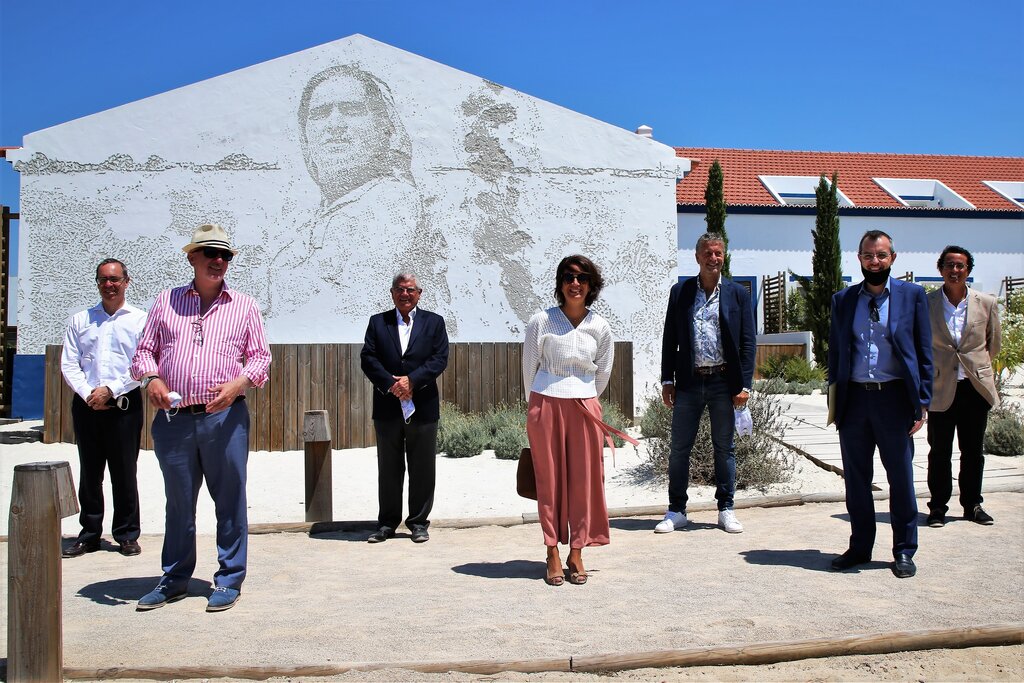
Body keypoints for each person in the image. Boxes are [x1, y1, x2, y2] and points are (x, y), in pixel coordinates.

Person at [131, 223, 271, 612]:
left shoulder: (243, 305)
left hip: (225, 421)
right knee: (178, 503)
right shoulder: (166, 301)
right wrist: (152, 378)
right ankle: (174, 578)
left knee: (230, 501)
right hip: (174, 421)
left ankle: (228, 579)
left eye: (225, 255)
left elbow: (261, 357)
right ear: (192, 257)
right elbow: (144, 352)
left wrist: (240, 383)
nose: (218, 260)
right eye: (210, 252)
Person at [827, 229, 932, 579]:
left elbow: (923, 351)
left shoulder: (913, 296)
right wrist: (836, 401)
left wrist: (922, 400)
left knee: (900, 478)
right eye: (869, 255)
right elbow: (837, 352)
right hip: (854, 400)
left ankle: (903, 550)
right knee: (856, 481)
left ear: (893, 258)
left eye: (881, 255)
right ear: (859, 259)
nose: (875, 262)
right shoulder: (843, 300)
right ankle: (860, 547)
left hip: (894, 399)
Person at [523, 255, 616, 586]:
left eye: (582, 278)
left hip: (585, 407)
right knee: (548, 483)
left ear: (591, 285)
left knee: (583, 483)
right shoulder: (541, 321)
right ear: (560, 283)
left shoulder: (600, 327)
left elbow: (603, 371)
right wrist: (537, 405)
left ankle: (576, 552)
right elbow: (529, 367)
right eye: (568, 277)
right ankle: (551, 552)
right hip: (546, 403)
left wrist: (585, 395)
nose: (575, 283)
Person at [656, 232, 755, 536]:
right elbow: (670, 338)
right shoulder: (681, 292)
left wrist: (745, 386)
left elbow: (748, 343)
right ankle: (676, 511)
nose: (714, 258)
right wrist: (667, 379)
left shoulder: (738, 294)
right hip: (688, 383)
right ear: (697, 257)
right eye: (708, 253)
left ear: (724, 256)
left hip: (724, 384)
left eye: (719, 253)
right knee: (678, 449)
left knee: (724, 448)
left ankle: (726, 509)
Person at [60, 258, 147, 558]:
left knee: (124, 471)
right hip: (87, 406)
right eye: (103, 280)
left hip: (124, 403)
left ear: (126, 281)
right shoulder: (80, 320)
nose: (109, 284)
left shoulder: (140, 320)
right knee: (90, 470)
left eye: (115, 279)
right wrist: (89, 393)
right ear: (97, 283)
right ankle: (90, 534)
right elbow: (69, 363)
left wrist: (111, 390)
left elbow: (142, 364)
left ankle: (126, 534)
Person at [360, 273, 449, 544]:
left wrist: (413, 381)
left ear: (419, 293)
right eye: (400, 289)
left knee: (422, 467)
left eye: (410, 289)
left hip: (422, 405)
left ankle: (418, 522)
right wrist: (392, 384)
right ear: (392, 293)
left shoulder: (434, 322)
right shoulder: (378, 322)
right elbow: (368, 357)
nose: (405, 294)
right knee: (389, 467)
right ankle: (387, 523)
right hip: (388, 406)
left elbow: (440, 358)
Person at [925, 245, 1001, 527]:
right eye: (949, 265)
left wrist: (975, 367)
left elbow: (993, 344)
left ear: (968, 270)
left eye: (960, 266)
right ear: (940, 268)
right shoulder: (928, 303)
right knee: (939, 451)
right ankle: (937, 507)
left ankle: (973, 504)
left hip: (974, 388)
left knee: (972, 451)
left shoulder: (987, 303)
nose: (954, 270)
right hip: (941, 387)